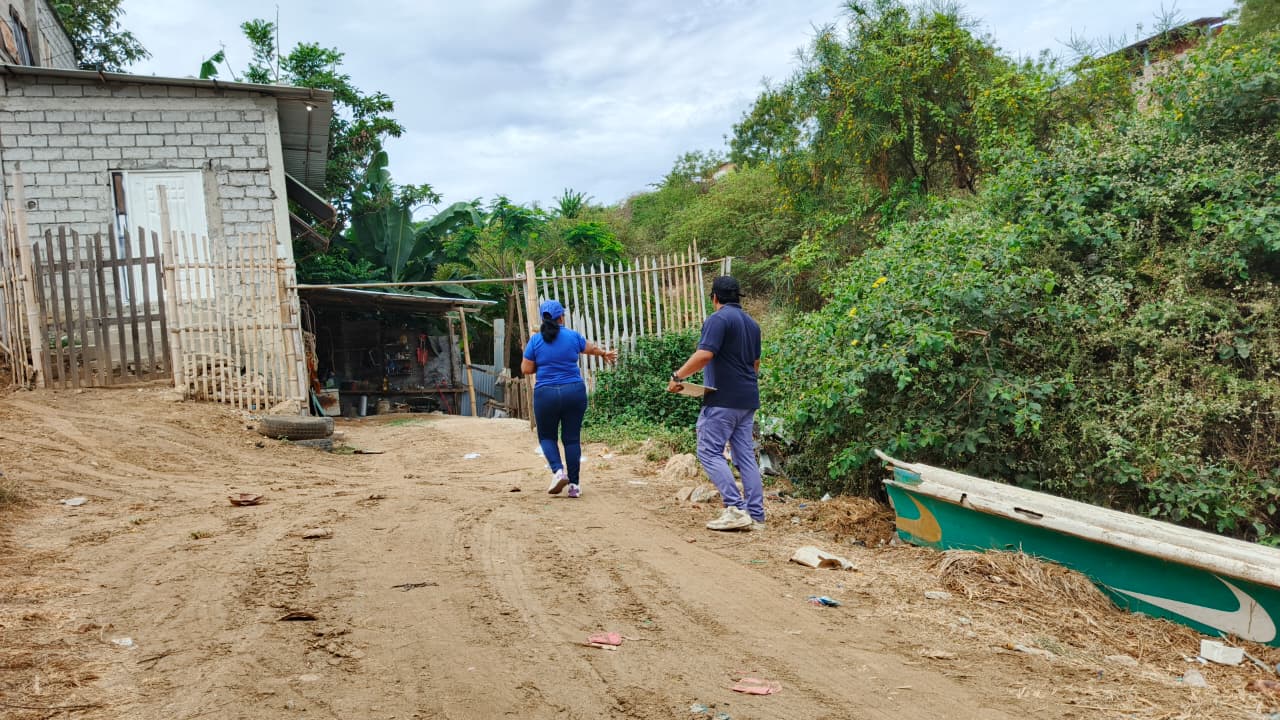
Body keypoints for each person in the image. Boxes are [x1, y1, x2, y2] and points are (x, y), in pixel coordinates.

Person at [667, 276, 763, 531]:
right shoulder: (752, 325)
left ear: (715, 298)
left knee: (709, 452)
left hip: (722, 399)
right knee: (745, 457)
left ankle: (735, 509)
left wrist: (678, 377)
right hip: (747, 399)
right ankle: (756, 515)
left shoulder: (718, 319)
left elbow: (704, 355)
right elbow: (755, 365)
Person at [522, 299, 617, 498]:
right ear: (561, 318)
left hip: (546, 394)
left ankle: (558, 472)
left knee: (547, 437)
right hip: (574, 391)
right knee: (571, 439)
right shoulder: (573, 336)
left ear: (543, 319)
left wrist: (544, 363)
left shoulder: (536, 340)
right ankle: (574, 486)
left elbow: (526, 369)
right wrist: (604, 353)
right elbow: (590, 348)